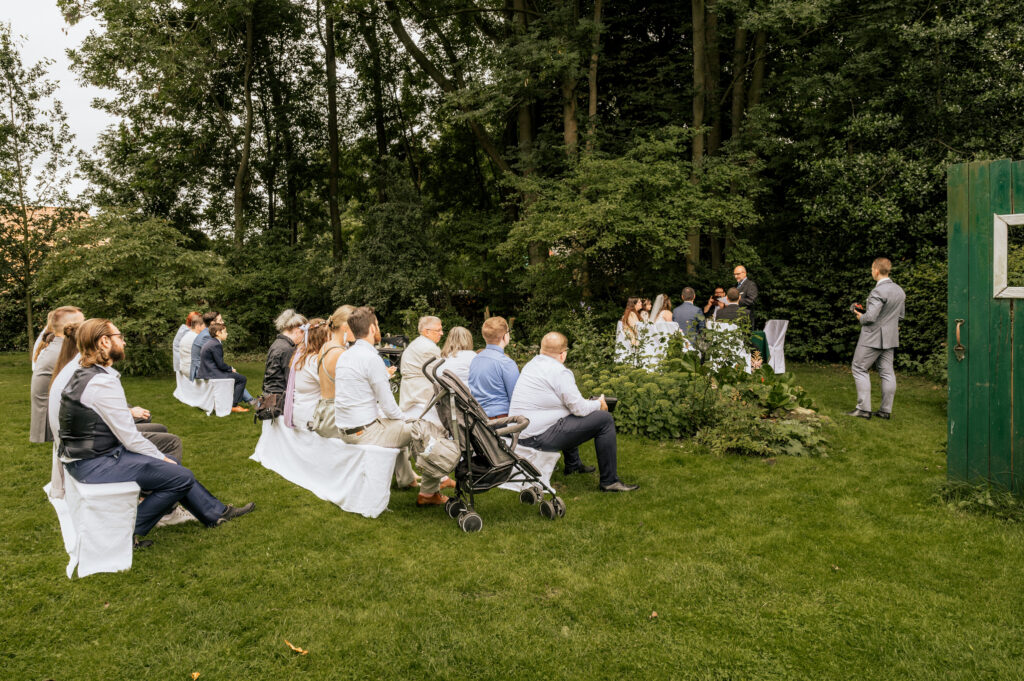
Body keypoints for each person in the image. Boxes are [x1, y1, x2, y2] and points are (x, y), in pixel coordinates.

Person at [57, 318, 254, 549]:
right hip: (95, 463)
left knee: (171, 454)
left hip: (91, 455)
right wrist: (162, 460)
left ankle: (210, 511)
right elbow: (129, 438)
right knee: (180, 476)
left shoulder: (88, 373)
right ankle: (127, 533)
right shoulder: (100, 382)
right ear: (104, 342)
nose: (125, 342)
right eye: (119, 337)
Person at [333, 306, 457, 505]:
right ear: (372, 328)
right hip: (366, 432)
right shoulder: (371, 358)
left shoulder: (346, 355)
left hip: (346, 429)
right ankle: (430, 492)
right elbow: (390, 407)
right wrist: (410, 421)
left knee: (411, 427)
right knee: (430, 429)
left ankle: (407, 479)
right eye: (378, 325)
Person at [509, 332, 638, 492]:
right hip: (537, 438)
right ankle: (609, 481)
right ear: (563, 354)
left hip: (520, 434)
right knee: (604, 419)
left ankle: (573, 465)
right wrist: (599, 404)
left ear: (542, 350)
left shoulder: (531, 365)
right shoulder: (559, 371)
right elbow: (580, 409)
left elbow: (569, 405)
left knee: (567, 413)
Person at [847, 257, 906, 420]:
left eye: (872, 269)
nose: (872, 272)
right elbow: (900, 316)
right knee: (887, 372)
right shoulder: (899, 290)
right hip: (891, 337)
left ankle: (864, 409)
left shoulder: (878, 291)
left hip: (872, 337)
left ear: (876, 270)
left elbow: (871, 317)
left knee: (859, 367)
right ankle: (885, 411)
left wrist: (860, 316)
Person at [31, 306, 84, 443]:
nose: (86, 327)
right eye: (82, 323)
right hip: (52, 416)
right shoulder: (62, 351)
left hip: (59, 411)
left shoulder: (60, 346)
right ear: (70, 327)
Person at [310, 305, 356, 438]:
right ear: (345, 327)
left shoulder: (325, 347)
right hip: (336, 416)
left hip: (324, 411)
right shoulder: (340, 353)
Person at [468, 316, 519, 418]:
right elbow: (516, 398)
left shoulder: (475, 359)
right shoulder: (506, 363)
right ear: (505, 336)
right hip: (501, 421)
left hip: (478, 420)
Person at [197, 322, 251, 413]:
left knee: (236, 376)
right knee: (242, 379)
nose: (227, 334)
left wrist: (229, 369)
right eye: (225, 332)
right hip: (212, 374)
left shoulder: (210, 343)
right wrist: (230, 369)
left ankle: (226, 401)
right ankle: (234, 405)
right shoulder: (216, 345)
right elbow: (220, 365)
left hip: (205, 372)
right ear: (218, 333)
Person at [285, 319, 328, 430]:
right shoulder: (314, 361)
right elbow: (332, 387)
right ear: (321, 338)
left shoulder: (300, 357)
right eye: (329, 336)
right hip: (311, 416)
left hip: (299, 412)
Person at [399, 316, 444, 415]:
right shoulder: (428, 348)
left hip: (409, 397)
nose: (442, 333)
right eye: (438, 330)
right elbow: (440, 375)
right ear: (427, 332)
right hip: (421, 401)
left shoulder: (417, 343)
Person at [263, 309, 307, 397]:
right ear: (297, 331)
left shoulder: (278, 343)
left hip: (270, 397)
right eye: (304, 333)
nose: (304, 337)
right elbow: (290, 379)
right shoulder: (287, 349)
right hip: (278, 400)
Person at [190, 310, 222, 380]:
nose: (223, 322)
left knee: (235, 377)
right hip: (202, 372)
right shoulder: (208, 336)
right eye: (220, 320)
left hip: (205, 369)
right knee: (236, 378)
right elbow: (214, 359)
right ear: (213, 323)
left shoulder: (207, 333)